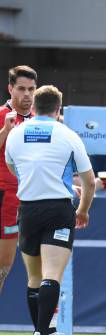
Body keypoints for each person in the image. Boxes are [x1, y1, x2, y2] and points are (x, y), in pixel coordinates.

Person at [5, 85, 95, 335]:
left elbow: (13, 167)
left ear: (33, 107)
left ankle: (46, 333)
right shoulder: (67, 134)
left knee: (34, 277)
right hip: (58, 209)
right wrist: (83, 210)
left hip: (28, 209)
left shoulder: (16, 133)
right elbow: (89, 182)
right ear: (59, 110)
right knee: (52, 275)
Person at [0, 66, 36, 299]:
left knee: (4, 267)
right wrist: (5, 130)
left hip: (20, 199)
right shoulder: (2, 114)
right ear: (10, 88)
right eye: (21, 89)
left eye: (31, 89)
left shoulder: (38, 120)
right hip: (2, 192)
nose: (27, 94)